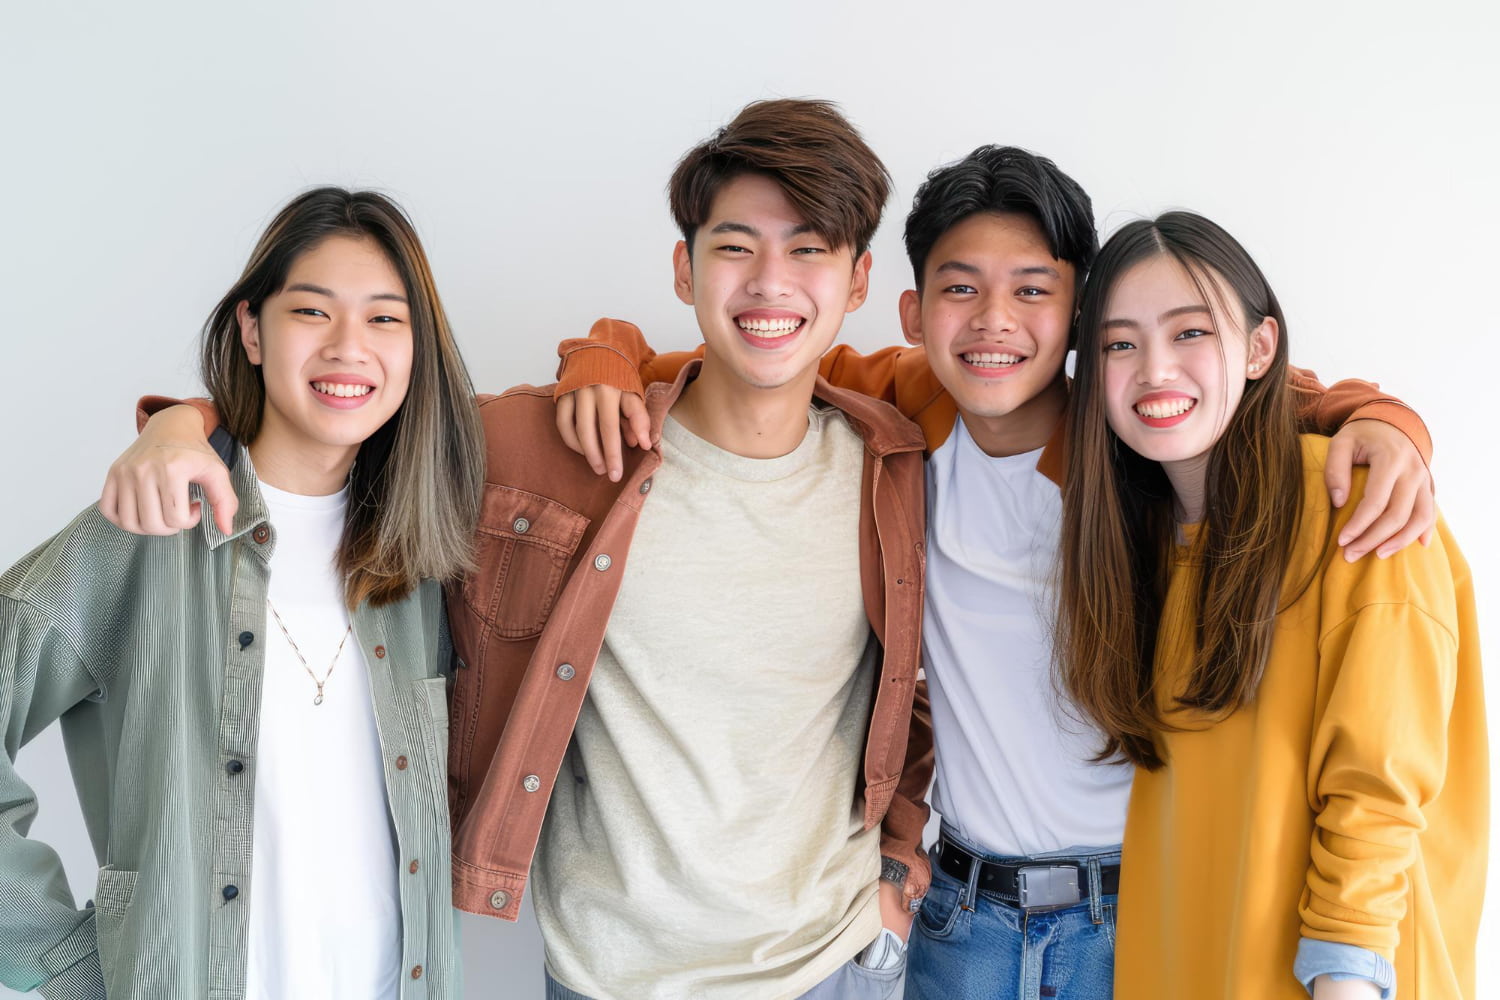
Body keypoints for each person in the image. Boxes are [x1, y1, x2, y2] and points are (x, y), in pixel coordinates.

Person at [551, 146, 1437, 999]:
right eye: (960, 289)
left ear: (1083, 313)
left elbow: (1266, 386)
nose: (993, 322)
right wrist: (599, 356)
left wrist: (1389, 422)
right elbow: (709, 367)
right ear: (910, 311)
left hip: (1141, 903)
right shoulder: (901, 413)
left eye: (1033, 291)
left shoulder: (1139, 430)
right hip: (959, 915)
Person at [99, 100, 932, 999]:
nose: (771, 282)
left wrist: (895, 857)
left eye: (809, 250)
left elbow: (916, 683)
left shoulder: (893, 468)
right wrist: (184, 424)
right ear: (685, 269)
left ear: (858, 282)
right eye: (736, 247)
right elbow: (354, 413)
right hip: (607, 978)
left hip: (836, 965)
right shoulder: (557, 451)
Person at [0, 187, 485, 999]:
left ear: (416, 350)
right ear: (252, 331)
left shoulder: (429, 553)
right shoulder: (148, 528)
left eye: (384, 319)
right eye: (312, 313)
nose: (348, 348)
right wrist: (67, 961)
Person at [1055, 210, 1484, 998]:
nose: (1154, 370)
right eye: (1120, 344)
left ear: (1259, 349)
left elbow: (1379, 781)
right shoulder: (1135, 548)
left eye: (1189, 333)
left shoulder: (1358, 499)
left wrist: (1346, 977)